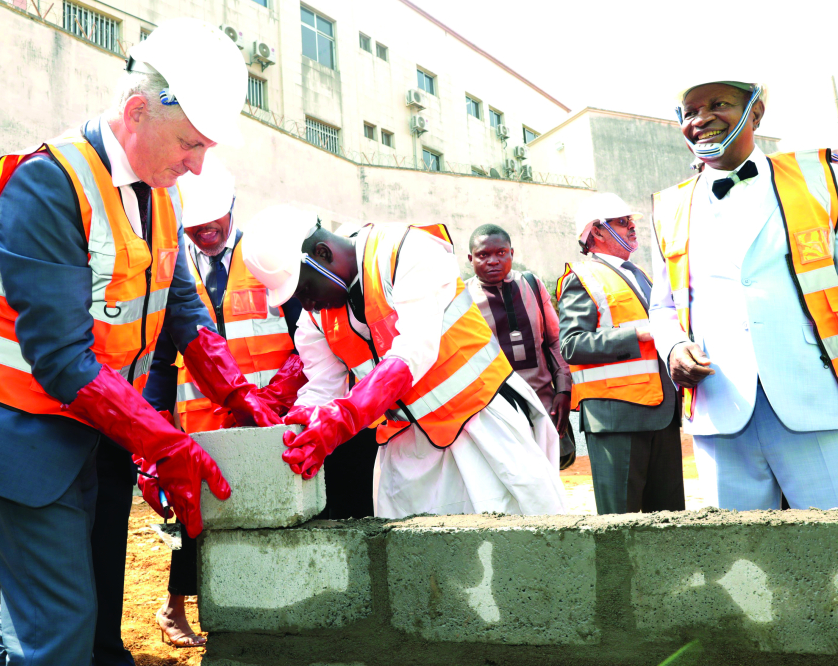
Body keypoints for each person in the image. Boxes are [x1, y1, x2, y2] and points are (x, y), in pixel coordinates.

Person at [0, 19, 283, 666]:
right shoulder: (49, 184)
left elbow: (182, 308)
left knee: (39, 620)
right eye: (189, 143)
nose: (198, 163)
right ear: (135, 111)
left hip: (77, 432)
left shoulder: (161, 192)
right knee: (62, 625)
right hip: (9, 432)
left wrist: (239, 397)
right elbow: (60, 357)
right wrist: (169, 447)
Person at [649, 76, 838, 664]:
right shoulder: (669, 204)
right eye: (689, 110)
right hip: (721, 415)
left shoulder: (821, 179)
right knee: (739, 572)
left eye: (718, 105)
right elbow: (664, 305)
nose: (702, 119)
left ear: (755, 110)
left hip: (822, 406)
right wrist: (674, 346)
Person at [241, 207, 568, 518]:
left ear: (324, 254)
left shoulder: (405, 251)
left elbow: (413, 350)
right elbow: (323, 387)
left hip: (481, 426)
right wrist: (301, 425)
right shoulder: (315, 317)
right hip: (406, 449)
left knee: (513, 545)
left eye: (304, 289)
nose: (306, 303)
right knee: (416, 564)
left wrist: (344, 417)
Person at [141, 161, 305, 649]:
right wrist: (152, 435)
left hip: (275, 412)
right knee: (197, 514)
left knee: (273, 504)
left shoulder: (266, 256)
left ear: (234, 210)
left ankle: (270, 600)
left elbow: (307, 338)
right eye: (196, 227)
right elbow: (160, 363)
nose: (207, 234)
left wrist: (268, 398)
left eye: (215, 224)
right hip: (202, 419)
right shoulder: (173, 266)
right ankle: (174, 607)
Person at [557, 193, 684, 514]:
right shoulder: (581, 278)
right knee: (621, 529)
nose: (632, 227)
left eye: (631, 221)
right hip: (616, 420)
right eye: (622, 222)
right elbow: (571, 345)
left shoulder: (642, 275)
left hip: (661, 414)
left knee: (672, 523)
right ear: (596, 231)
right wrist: (636, 333)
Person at [464, 223, 575, 469]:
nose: (493, 260)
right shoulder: (463, 297)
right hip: (493, 411)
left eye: (501, 253)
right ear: (471, 259)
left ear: (511, 253)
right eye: (483, 255)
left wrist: (564, 390)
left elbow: (555, 340)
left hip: (543, 405)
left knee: (547, 479)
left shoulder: (531, 284)